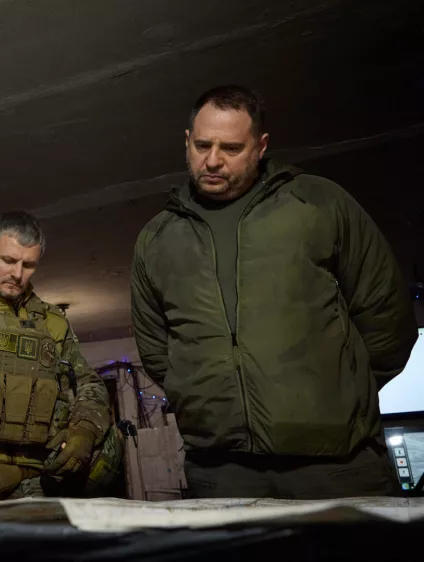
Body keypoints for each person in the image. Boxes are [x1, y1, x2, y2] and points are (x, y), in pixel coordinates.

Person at [131, 85, 417, 499]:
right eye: (202, 145)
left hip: (336, 463)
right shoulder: (157, 238)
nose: (212, 160)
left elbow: (386, 316)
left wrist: (337, 397)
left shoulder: (318, 203)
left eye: (231, 148)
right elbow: (158, 351)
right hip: (221, 471)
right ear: (187, 140)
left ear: (261, 146)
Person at [0, 211, 122, 500]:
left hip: (44, 483)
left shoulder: (53, 322)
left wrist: (83, 432)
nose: (17, 274)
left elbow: (89, 384)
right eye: (8, 260)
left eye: (28, 264)